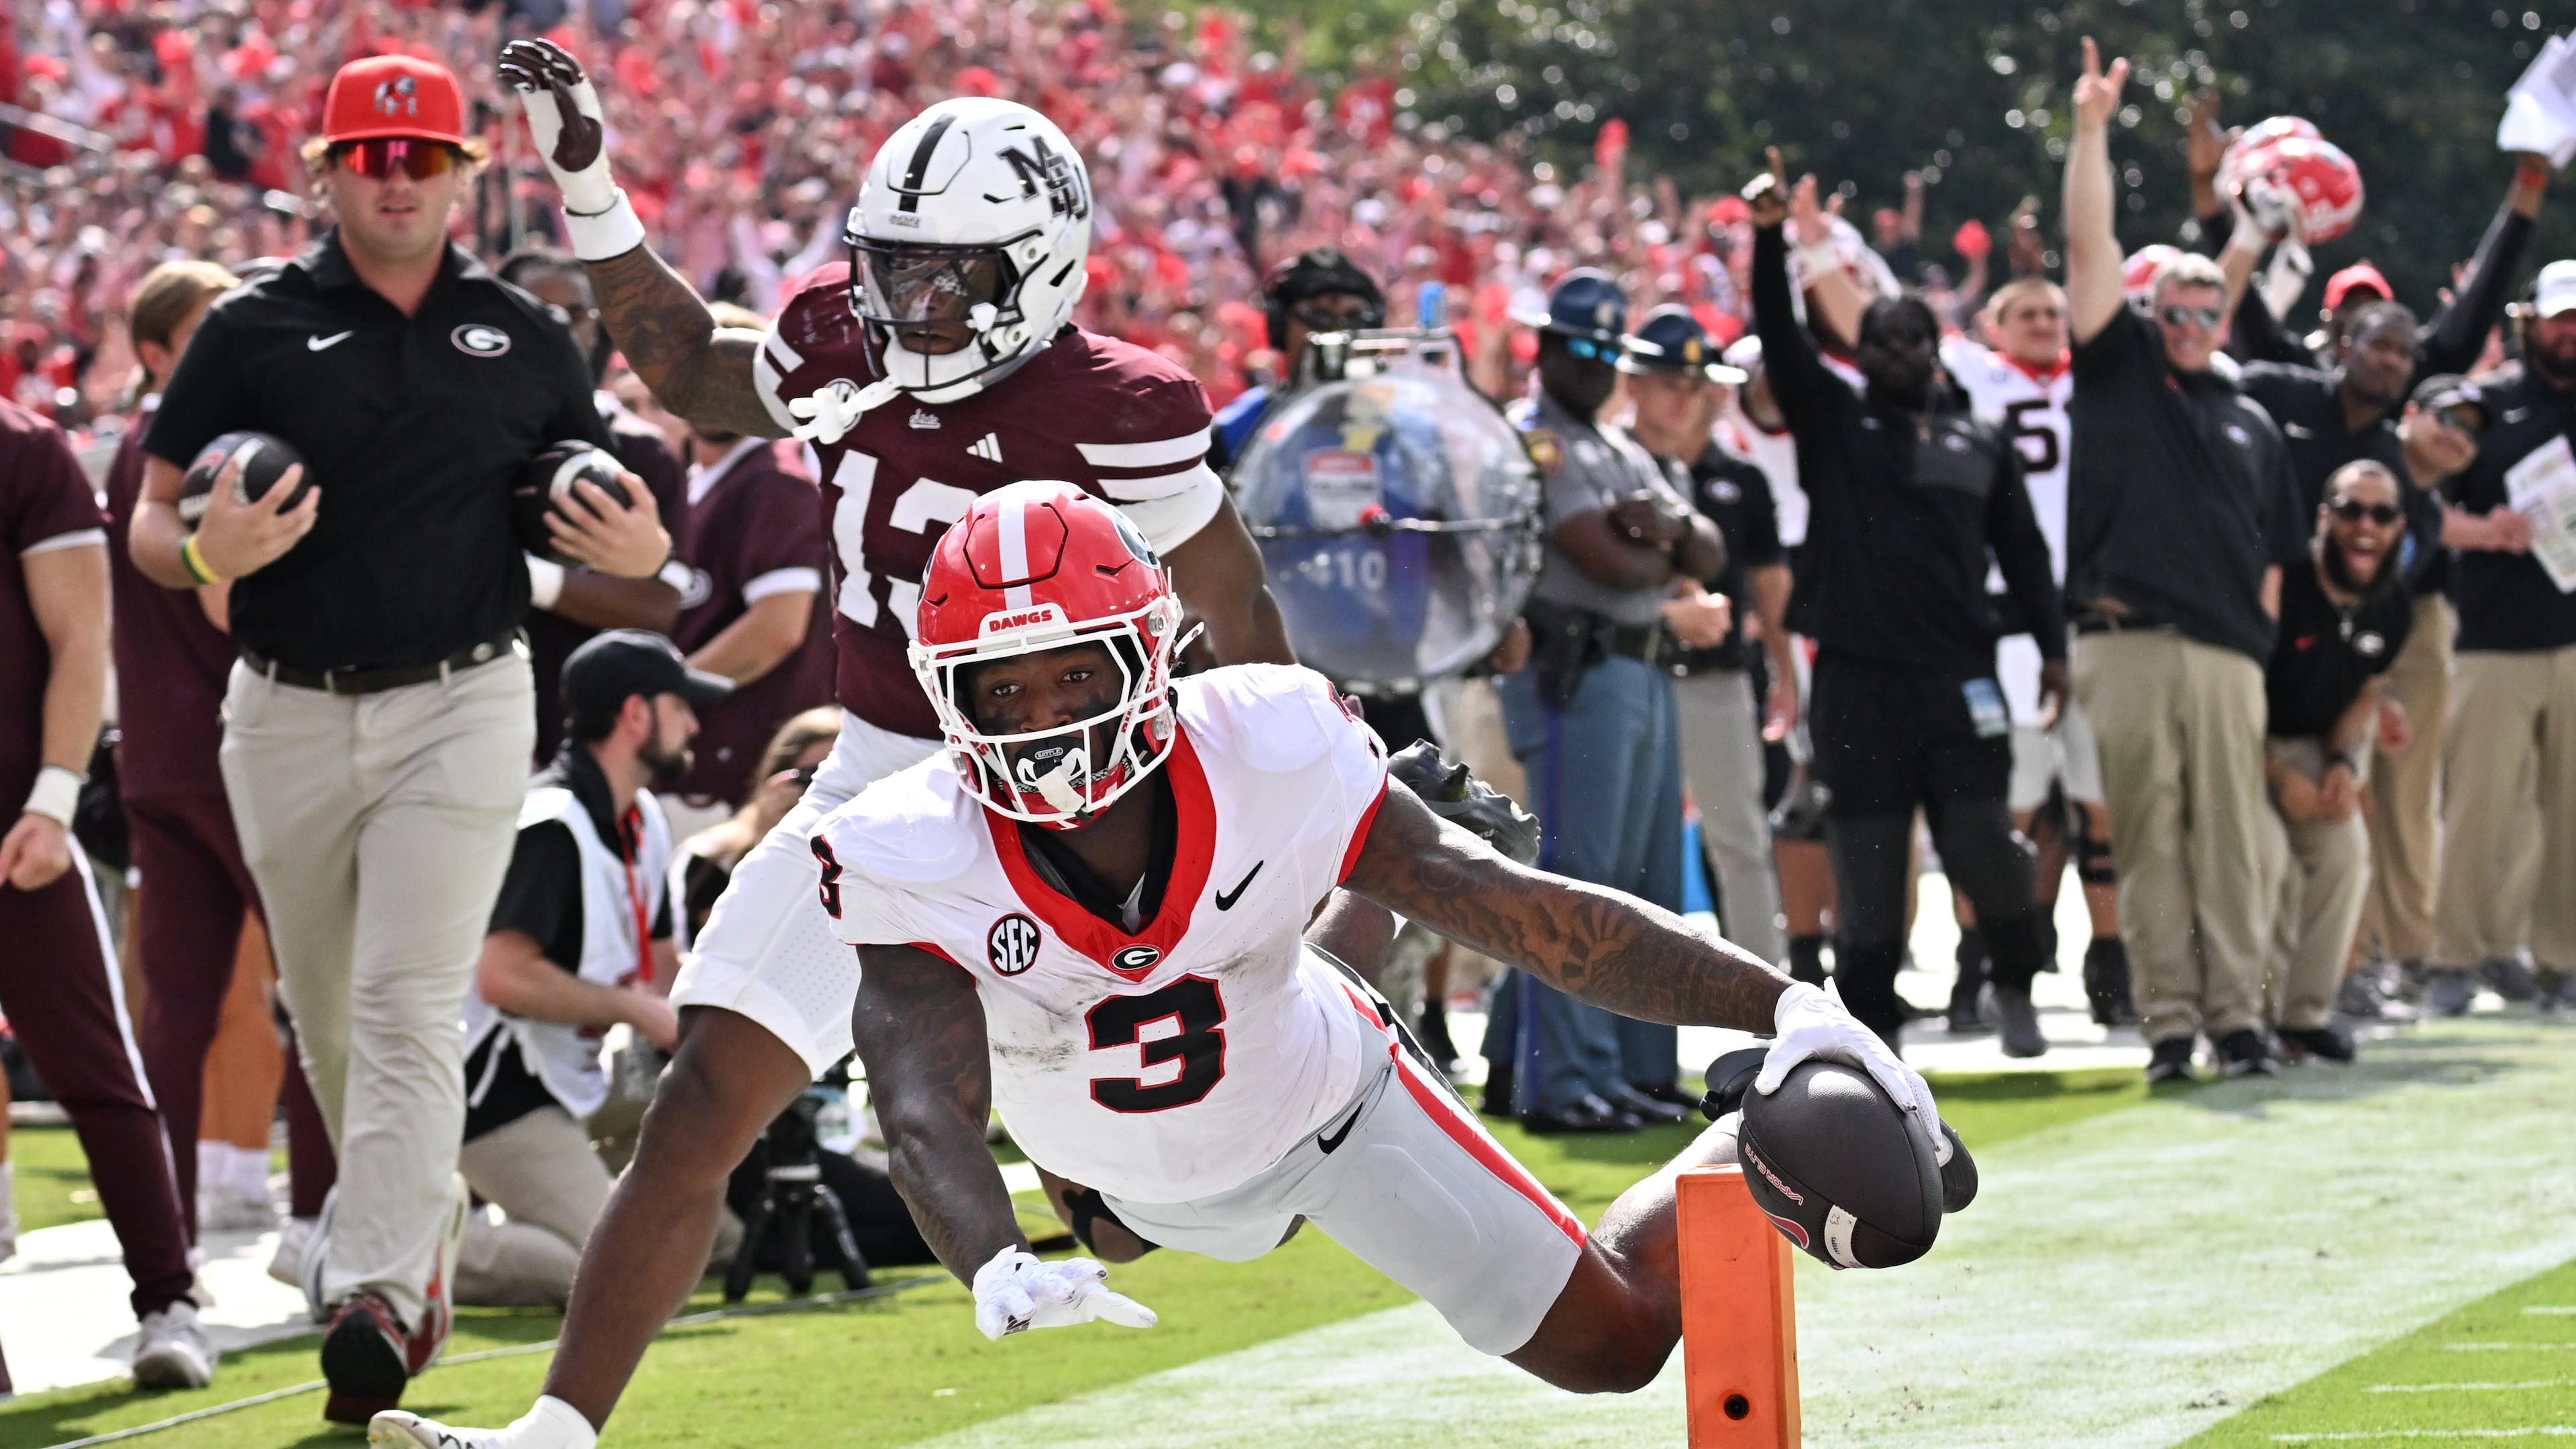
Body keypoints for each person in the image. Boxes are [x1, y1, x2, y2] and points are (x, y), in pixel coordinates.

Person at [381, 482, 1954, 1449]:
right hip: (1118, 1169)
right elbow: (922, 1087)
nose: (1045, 714)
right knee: (1106, 1200)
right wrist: (984, 1256)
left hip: (1328, 1105)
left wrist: (1784, 997)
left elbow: (1531, 912)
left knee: (1616, 1352)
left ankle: (1743, 1138)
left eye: (1073, 667)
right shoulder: (909, 837)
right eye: (998, 686)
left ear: (1151, 652)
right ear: (942, 697)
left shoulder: (1267, 735)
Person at [380, 53, 1293, 1448]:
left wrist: (1299, 776)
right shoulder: (837, 340)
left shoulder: (1121, 406)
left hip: (1074, 792)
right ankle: (555, 1435)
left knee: (1122, 1205)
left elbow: (1234, 608)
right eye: (894, 270)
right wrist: (584, 178)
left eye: (952, 278)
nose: (909, 307)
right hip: (882, 777)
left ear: (1043, 270)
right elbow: (688, 364)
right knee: (702, 1103)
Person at [128, 54, 676, 1421]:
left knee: (405, 1003)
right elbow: (145, 527)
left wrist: (650, 541)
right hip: (286, 703)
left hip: (466, 697)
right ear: (322, 172)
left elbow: (618, 526)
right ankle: (415, 1259)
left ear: (464, 175)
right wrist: (206, 548)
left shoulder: (527, 335)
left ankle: (373, 1288)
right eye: (371, 158)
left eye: (423, 157)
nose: (397, 180)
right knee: (327, 1015)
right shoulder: (247, 328)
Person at [1748, 154, 2065, 1059]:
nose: (1894, 353)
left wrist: (2052, 647)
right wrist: (1772, 237)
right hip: (1856, 678)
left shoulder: (1981, 439)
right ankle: (1875, 1032)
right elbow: (1780, 333)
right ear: (1862, 353)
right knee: (1870, 865)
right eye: (1878, 342)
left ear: (1936, 348)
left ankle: (2015, 986)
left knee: (1985, 845)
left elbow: (2026, 553)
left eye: (1910, 340)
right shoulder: (1837, 425)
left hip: (1958, 674)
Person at [2061, 40, 2309, 1083]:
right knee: (2150, 843)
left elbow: (2279, 555)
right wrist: (2089, 130)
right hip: (2124, 639)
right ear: (2151, 313)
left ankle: (2240, 1023)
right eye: (2178, 307)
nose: (2196, 322)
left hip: (2226, 655)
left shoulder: (2251, 413)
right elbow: (2087, 244)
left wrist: (2255, 645)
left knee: (2237, 848)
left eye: (2213, 308)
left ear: (2227, 317)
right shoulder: (2119, 370)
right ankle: (2170, 1028)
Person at [103, 260, 335, 1253]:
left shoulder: (131, 451)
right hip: (243, 749)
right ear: (161, 349)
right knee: (317, 987)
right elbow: (223, 602)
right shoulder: (215, 443)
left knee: (179, 1003)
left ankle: (172, 1229)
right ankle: (319, 1215)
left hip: (156, 755)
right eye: (210, 327)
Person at [1, 392, 212, 1389]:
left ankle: (169, 1298)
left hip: (15, 826)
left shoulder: (23, 448)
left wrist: (50, 797)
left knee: (93, 1064)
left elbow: (83, 635)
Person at [1485, 269, 1727, 1132]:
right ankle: (1565, 1083)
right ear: (1544, 350)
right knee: (1579, 878)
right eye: (1577, 347)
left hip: (1645, 666)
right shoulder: (1536, 440)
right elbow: (1606, 560)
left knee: (1644, 881)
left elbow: (1710, 549)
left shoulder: (1621, 448)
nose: (1592, 363)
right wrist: (1662, 545)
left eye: (1605, 350)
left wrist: (1661, 536)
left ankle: (1619, 1067)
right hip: (1575, 671)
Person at [455, 633, 729, 1307]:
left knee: (713, 1238)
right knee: (620, 1267)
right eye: (682, 706)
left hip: (574, 1077)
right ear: (637, 715)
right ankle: (359, 1251)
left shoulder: (641, 819)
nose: (694, 724)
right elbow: (503, 977)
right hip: (491, 1092)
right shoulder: (550, 822)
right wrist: (634, 1010)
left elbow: (667, 972)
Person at [1940, 277, 2133, 1029]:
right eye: (2029, 313)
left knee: (2101, 806)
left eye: (2057, 312)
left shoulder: (2096, 381)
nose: (2048, 324)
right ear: (1995, 325)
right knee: (2002, 812)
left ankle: (2110, 964)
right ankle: (1977, 967)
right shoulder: (1977, 375)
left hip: (2087, 613)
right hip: (2009, 620)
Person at [2422, 264, 2576, 1016]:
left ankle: (2562, 962)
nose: (2571, 331)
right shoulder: (2484, 406)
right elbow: (2422, 504)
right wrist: (2487, 532)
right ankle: (2453, 957)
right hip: (2492, 639)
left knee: (2572, 814)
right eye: (2560, 318)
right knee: (2479, 808)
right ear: (2531, 322)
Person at [1617, 305, 1788, 971]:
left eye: (1698, 386)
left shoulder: (1734, 478)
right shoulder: (1606, 462)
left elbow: (1771, 588)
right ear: (1632, 382)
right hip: (1626, 672)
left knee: (1739, 842)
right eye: (1669, 382)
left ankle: (1769, 1004)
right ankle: (1625, 1031)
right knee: (1620, 855)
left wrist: (1782, 676)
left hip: (1712, 677)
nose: (1687, 398)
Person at [2186, 89, 2548, 382]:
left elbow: (2486, 290)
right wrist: (2207, 188)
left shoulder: (2413, 378)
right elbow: (2233, 303)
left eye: (2376, 315)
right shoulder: (2292, 380)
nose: (2368, 332)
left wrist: (2531, 179)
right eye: (2350, 312)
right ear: (2329, 326)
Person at [495, 244, 691, 767]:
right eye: (536, 308)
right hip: (460, 722)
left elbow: (656, 606)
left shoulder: (639, 453)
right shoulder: (455, 437)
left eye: (576, 314)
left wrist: (519, 576)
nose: (558, 326)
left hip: (583, 746)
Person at [2353, 377, 2506, 1013]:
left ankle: (2411, 952)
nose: (2458, 438)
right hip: (2343, 635)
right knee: (2354, 796)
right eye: (2449, 419)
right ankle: (2352, 960)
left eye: (2472, 432)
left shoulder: (2426, 506)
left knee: (2410, 799)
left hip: (2409, 629)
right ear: (2409, 415)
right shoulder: (2368, 468)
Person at [2260, 462, 2415, 1062]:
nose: (2366, 526)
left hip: (2315, 742)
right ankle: (2246, 1018)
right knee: (2266, 858)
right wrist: (2277, 774)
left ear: (2400, 525)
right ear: (2324, 516)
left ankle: (2303, 1015)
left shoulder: (2393, 604)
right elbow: (2241, 694)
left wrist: (2343, 763)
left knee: (2346, 850)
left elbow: (2367, 692)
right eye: (2352, 510)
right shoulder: (2286, 582)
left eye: (2381, 514)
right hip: (2247, 740)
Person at [663, 301, 831, 825]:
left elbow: (778, 628)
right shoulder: (699, 477)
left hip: (732, 768)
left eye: (733, 374)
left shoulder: (774, 482)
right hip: (696, 757)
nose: (714, 387)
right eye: (699, 369)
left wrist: (664, 692)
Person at [2237, 301, 2416, 521]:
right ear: (2345, 348)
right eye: (2380, 346)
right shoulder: (2270, 391)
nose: (2392, 361)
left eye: (2404, 354)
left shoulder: (2393, 458)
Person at [1210, 248, 1386, 470]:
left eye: (1355, 318)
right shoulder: (1240, 426)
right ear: (1280, 328)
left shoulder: (1404, 424)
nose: (1337, 331)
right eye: (1317, 317)